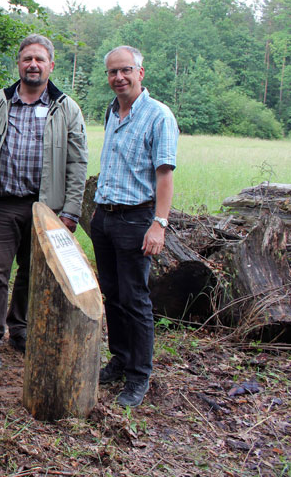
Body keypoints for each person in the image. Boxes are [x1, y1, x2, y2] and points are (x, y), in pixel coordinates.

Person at [0, 34, 88, 370]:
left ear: (51, 66)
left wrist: (71, 210)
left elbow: (77, 162)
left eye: (40, 59)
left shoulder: (66, 108)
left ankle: (21, 329)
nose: (33, 65)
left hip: (45, 209)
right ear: (19, 64)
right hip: (3, 203)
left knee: (32, 272)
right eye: (27, 58)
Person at [91, 45, 178, 407]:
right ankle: (121, 358)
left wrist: (158, 224)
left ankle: (139, 376)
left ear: (140, 73)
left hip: (136, 219)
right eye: (112, 72)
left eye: (125, 70)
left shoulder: (158, 116)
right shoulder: (113, 112)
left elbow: (164, 175)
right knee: (112, 293)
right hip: (105, 217)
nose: (119, 78)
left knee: (134, 298)